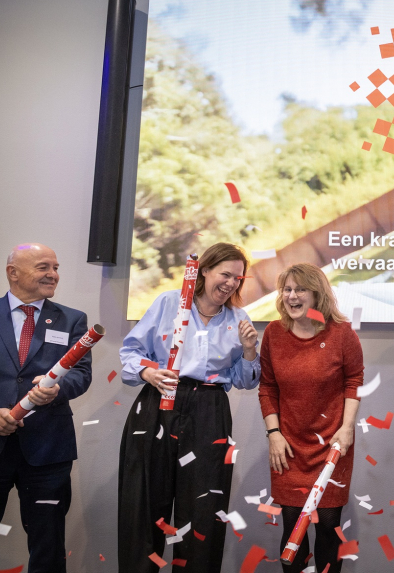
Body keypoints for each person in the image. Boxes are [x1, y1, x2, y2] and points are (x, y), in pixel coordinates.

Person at [118, 243, 260, 573]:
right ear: (204, 270)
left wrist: (250, 350)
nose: (231, 283)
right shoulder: (169, 302)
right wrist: (149, 372)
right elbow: (130, 353)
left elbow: (244, 380)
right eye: (225, 274)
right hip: (159, 402)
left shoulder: (239, 318)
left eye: (238, 278)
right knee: (144, 501)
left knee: (203, 508)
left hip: (210, 410)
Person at [0, 243, 92, 573]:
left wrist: (57, 391)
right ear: (13, 273)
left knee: (47, 546)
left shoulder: (72, 319)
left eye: (56, 267)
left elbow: (81, 374)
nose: (53, 274)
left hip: (47, 451)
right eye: (43, 267)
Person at [258, 263, 363, 573]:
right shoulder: (273, 333)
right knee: (293, 526)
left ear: (317, 294)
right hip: (288, 447)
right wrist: (273, 434)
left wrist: (347, 428)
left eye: (300, 289)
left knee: (328, 526)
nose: (292, 296)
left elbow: (354, 381)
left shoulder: (342, 333)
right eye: (287, 289)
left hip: (332, 444)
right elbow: (267, 387)